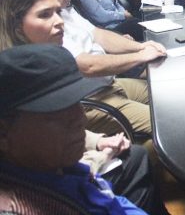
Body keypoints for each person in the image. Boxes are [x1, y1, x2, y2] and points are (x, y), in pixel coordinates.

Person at [0, 0, 168, 214]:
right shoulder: (12, 75)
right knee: (164, 125)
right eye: (45, 15)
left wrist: (97, 141)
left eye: (58, 12)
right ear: (17, 26)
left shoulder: (54, 52)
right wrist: (97, 158)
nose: (59, 21)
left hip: (105, 92)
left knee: (162, 103)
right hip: (99, 103)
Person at [0, 44, 156, 214]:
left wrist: (99, 143)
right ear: (3, 133)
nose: (81, 119)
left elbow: (107, 200)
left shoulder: (54, 168)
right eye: (56, 112)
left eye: (77, 103)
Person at [28, 0, 166, 136]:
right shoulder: (48, 24)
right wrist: (140, 57)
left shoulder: (66, 9)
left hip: (110, 85)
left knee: (164, 94)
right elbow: (87, 65)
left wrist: (141, 47)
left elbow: (99, 34)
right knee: (166, 123)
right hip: (92, 100)